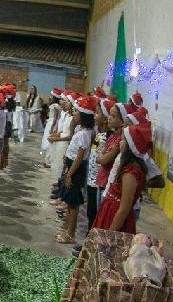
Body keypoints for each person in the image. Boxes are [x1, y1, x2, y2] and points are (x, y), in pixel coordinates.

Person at [92, 123, 149, 234]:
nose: (120, 142)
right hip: (109, 212)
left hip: (114, 217)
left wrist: (109, 234)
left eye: (123, 140)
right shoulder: (126, 166)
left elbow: (124, 209)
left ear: (130, 145)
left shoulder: (131, 172)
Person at [56, 96, 96, 244]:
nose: (74, 114)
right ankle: (67, 227)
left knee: (73, 204)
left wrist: (70, 174)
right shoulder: (81, 130)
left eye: (77, 112)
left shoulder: (86, 134)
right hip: (72, 166)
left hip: (76, 170)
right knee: (69, 201)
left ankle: (71, 234)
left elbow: (79, 157)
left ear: (84, 115)